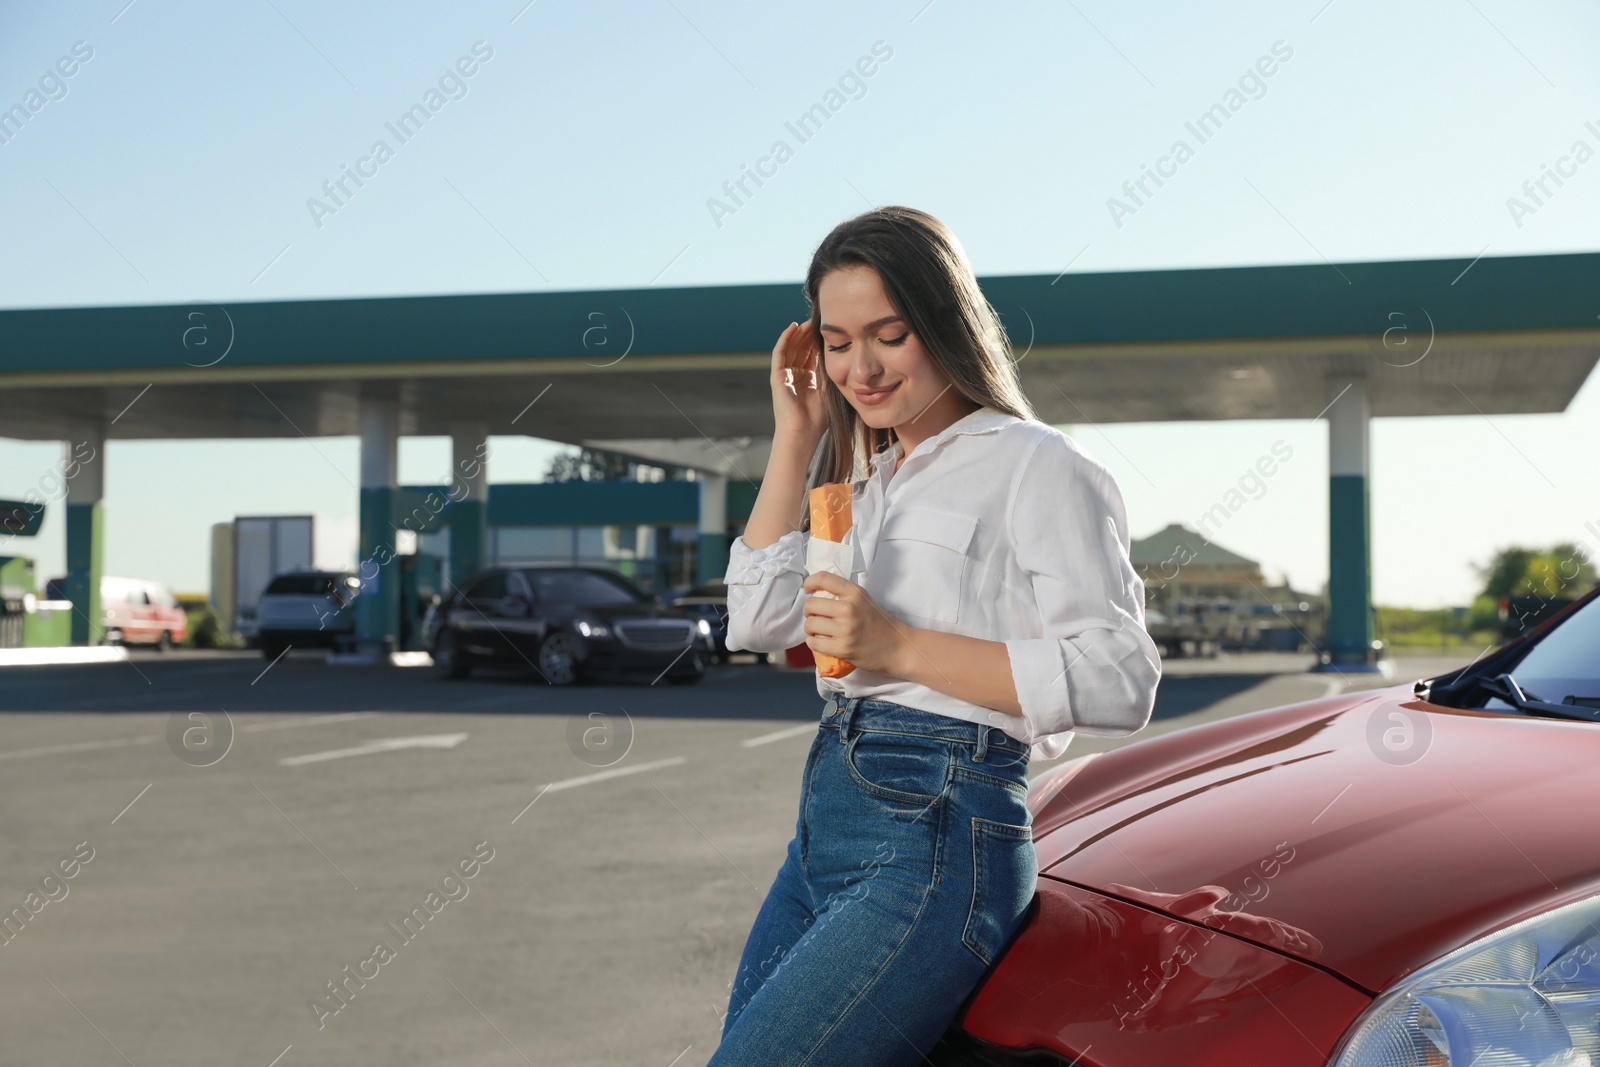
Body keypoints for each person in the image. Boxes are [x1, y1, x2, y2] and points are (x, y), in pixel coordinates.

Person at [709, 206, 1161, 1066]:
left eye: (889, 333)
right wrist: (795, 435)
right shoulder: (867, 482)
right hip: (823, 830)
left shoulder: (1036, 464)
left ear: (945, 323)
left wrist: (899, 645)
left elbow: (1121, 677)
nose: (861, 367)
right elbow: (757, 620)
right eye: (838, 342)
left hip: (938, 836)